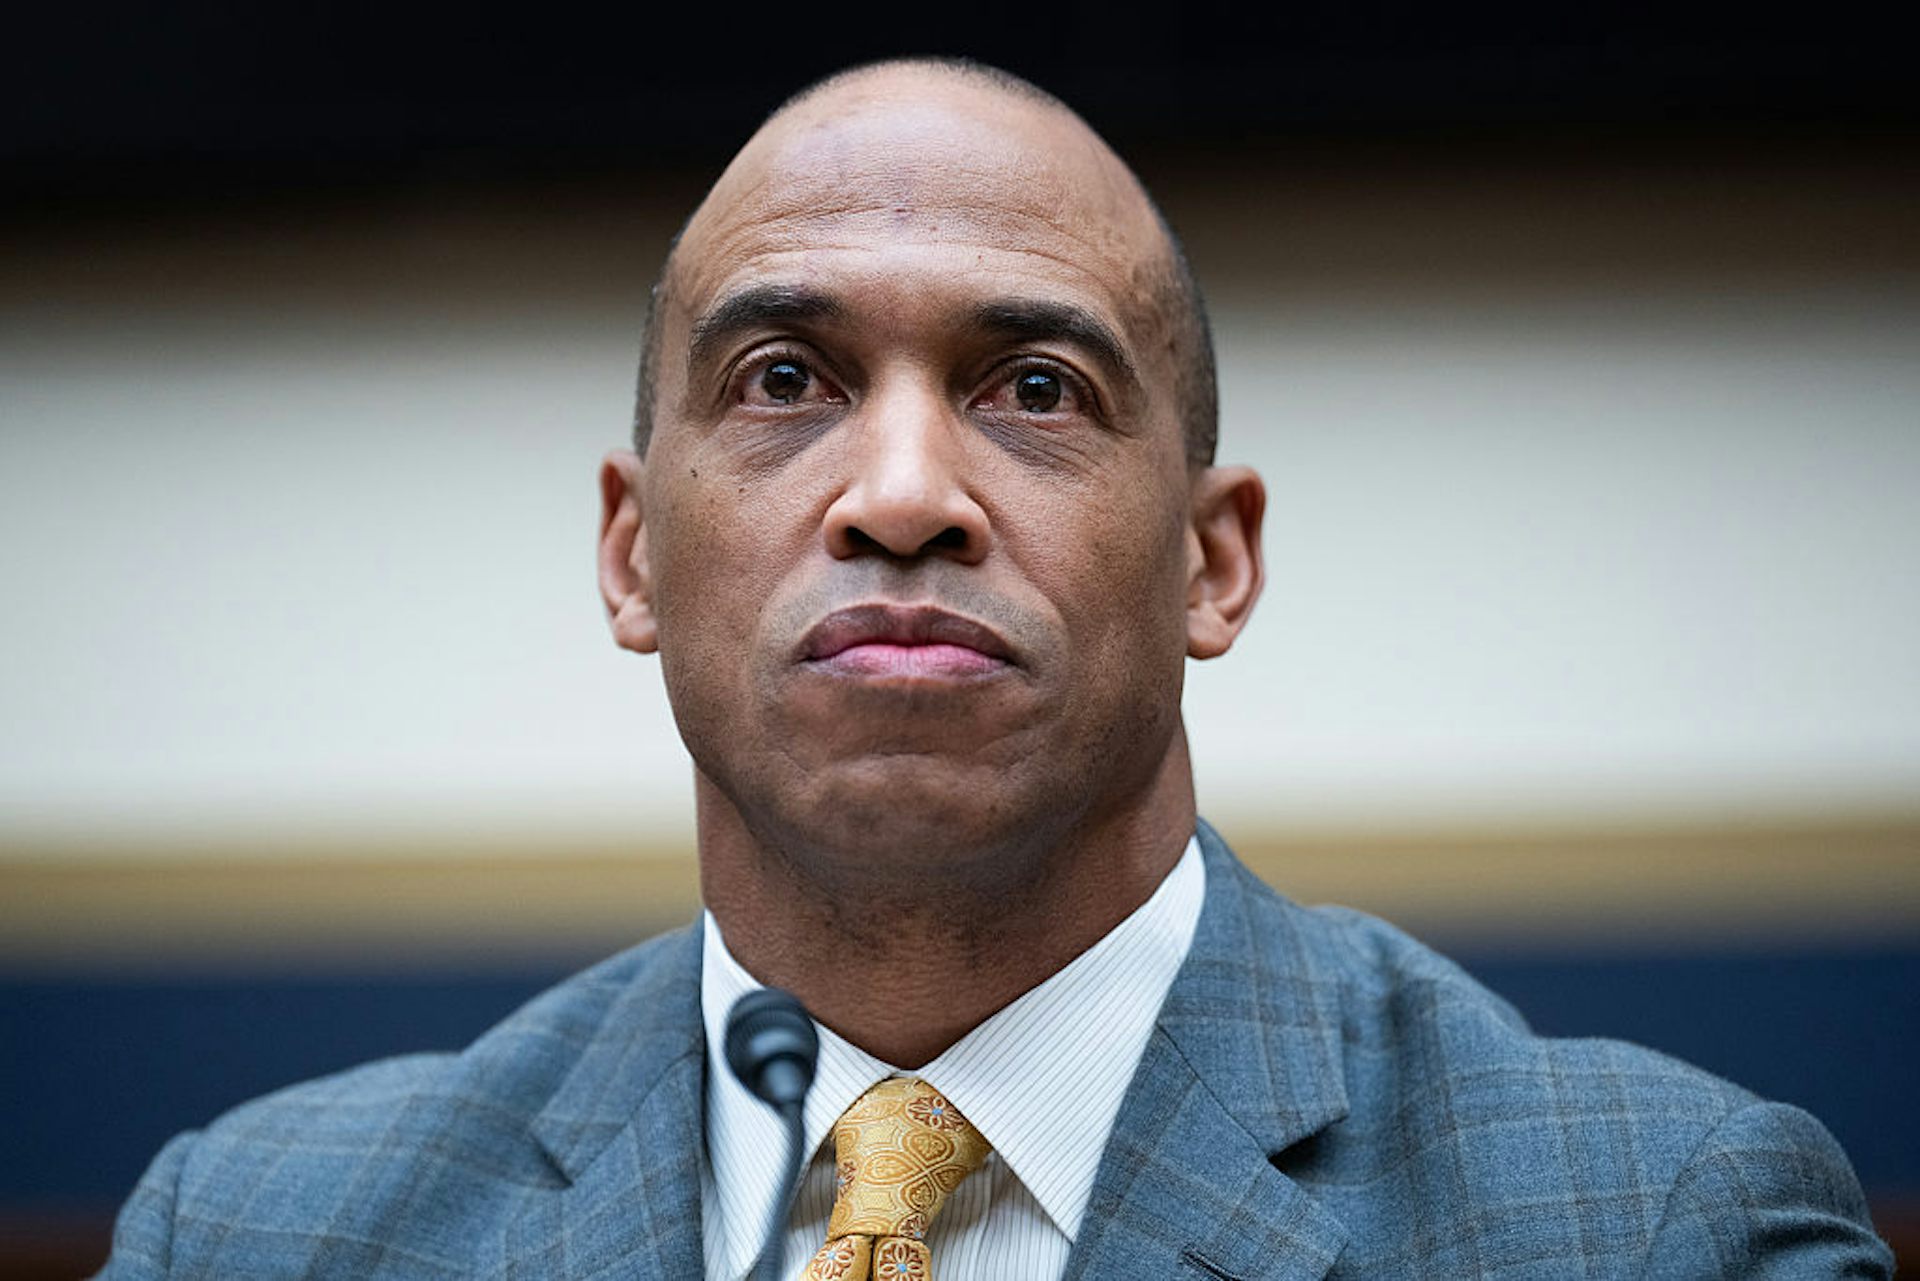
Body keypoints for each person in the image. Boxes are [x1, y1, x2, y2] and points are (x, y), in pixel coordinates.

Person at [101, 57, 1891, 1279]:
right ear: (633, 552)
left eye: (1036, 388)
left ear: (1212, 562)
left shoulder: (1658, 1226)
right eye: (785, 379)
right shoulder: (254, 1236)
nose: (900, 496)